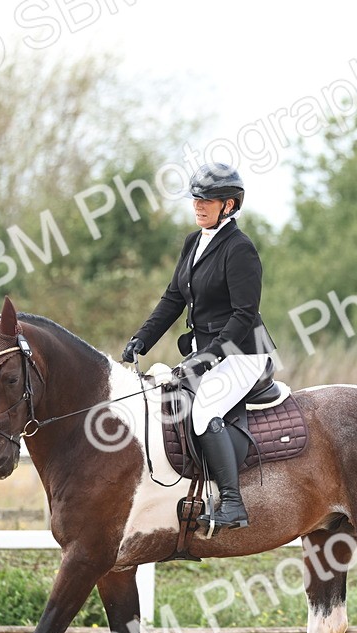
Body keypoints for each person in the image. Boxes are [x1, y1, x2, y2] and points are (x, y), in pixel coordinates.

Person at [120, 163, 276, 529]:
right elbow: (173, 298)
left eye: (208, 200)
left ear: (230, 205)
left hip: (243, 352)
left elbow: (243, 314)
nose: (199, 205)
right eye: (196, 198)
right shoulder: (194, 242)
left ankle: (233, 504)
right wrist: (142, 338)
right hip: (207, 352)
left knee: (205, 412)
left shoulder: (240, 249)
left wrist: (207, 359)